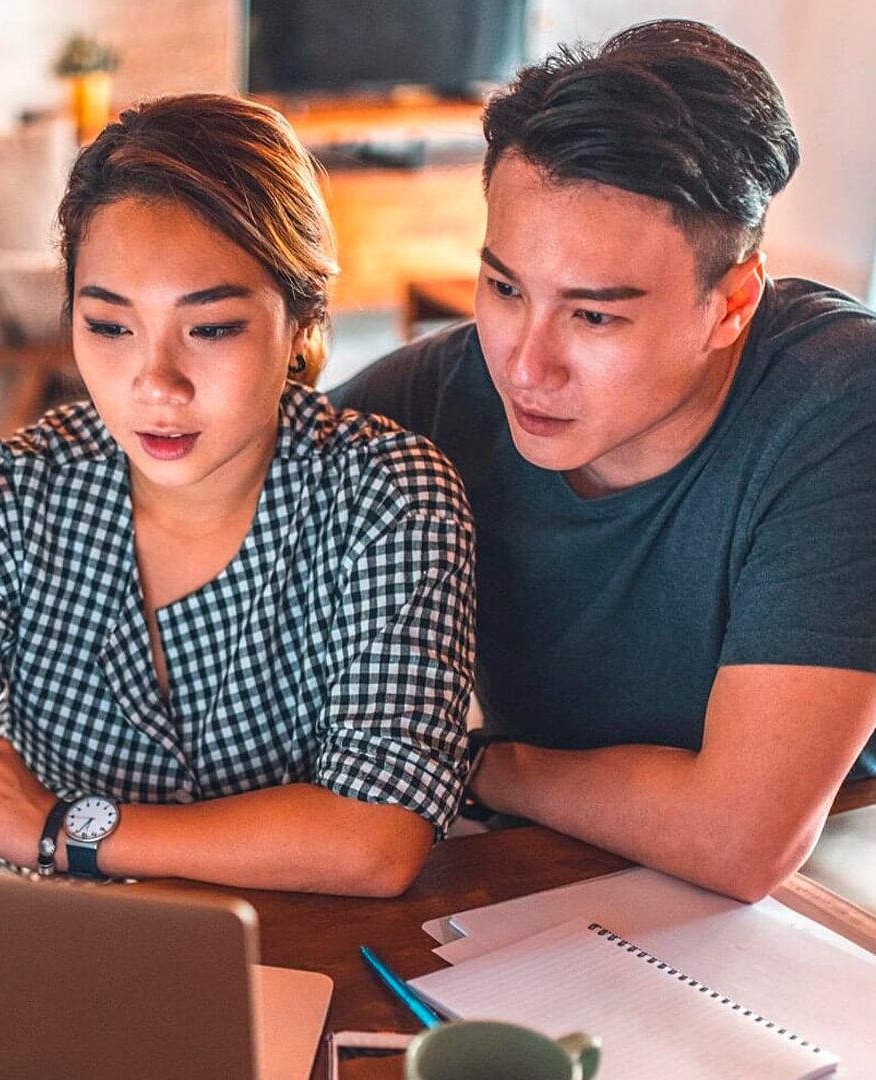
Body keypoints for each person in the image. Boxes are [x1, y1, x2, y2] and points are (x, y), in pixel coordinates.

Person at [332, 19, 876, 902]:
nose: (522, 365)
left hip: (821, 879)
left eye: (593, 316)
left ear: (731, 306)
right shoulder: (431, 397)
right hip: (549, 859)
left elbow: (740, 838)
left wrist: (475, 768)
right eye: (505, 288)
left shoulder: (841, 403)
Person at [0, 94, 475, 896]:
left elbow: (375, 837)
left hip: (305, 958)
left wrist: (60, 829)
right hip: (48, 957)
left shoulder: (389, 499)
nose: (156, 384)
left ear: (303, 321)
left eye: (211, 328)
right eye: (110, 327)